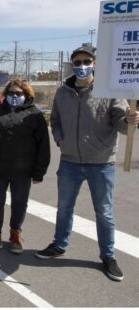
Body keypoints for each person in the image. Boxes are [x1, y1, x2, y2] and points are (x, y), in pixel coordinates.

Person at [35, 44, 139, 282]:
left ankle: (108, 256)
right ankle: (59, 245)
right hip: (70, 162)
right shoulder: (63, 92)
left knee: (104, 212)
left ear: (95, 64)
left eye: (86, 61)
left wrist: (131, 120)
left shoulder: (110, 91)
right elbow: (56, 120)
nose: (82, 66)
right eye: (78, 62)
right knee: (64, 208)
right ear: (72, 65)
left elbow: (121, 125)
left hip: (101, 163)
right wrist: (60, 139)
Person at [0, 79, 50, 253]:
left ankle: (15, 235)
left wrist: (39, 171)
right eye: (11, 93)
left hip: (23, 171)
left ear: (27, 95)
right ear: (5, 95)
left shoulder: (34, 115)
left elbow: (43, 145)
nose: (14, 96)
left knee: (19, 203)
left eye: (19, 94)